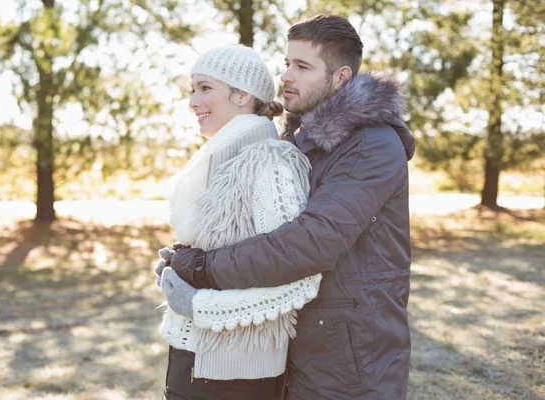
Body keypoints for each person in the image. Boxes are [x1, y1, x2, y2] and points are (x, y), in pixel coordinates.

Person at [161, 15, 416, 400]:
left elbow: (311, 242)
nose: (285, 76)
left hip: (351, 354)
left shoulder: (372, 146)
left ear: (341, 76)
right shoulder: (303, 143)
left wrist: (202, 269)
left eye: (302, 66)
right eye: (286, 63)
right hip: (305, 343)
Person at [155, 45, 322, 400]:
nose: (192, 101)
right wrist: (178, 268)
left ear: (242, 94)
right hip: (189, 356)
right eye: (192, 90)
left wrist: (199, 305)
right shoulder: (219, 159)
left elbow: (299, 280)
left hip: (236, 375)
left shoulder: (268, 164)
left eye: (204, 88)